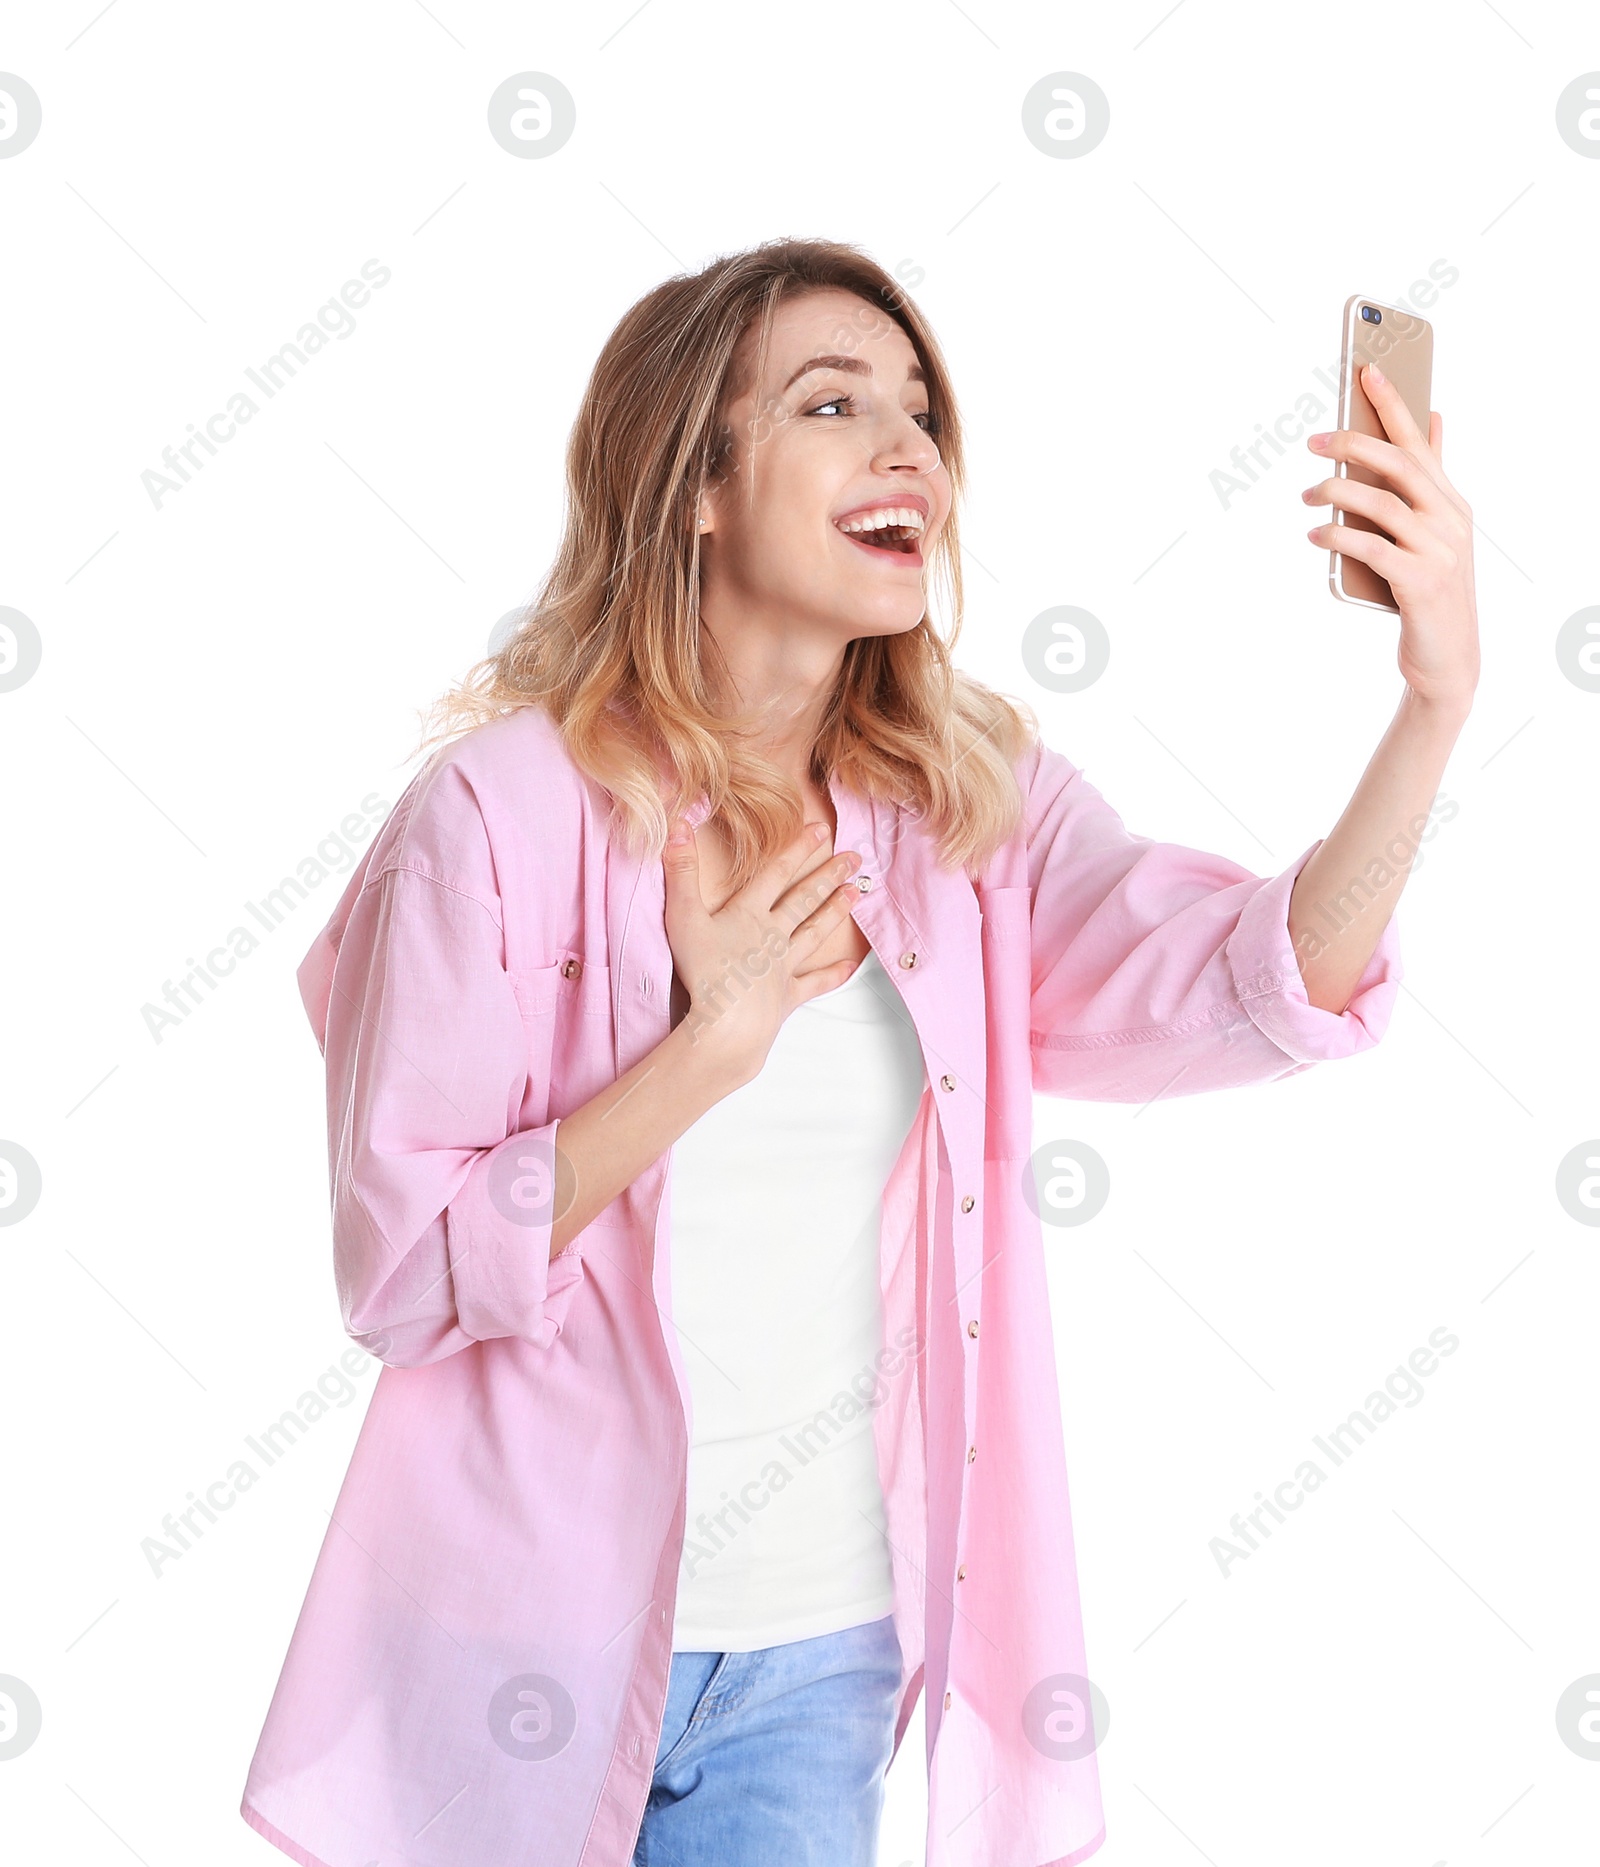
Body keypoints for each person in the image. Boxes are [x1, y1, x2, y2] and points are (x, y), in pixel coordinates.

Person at [240, 237, 1478, 1867]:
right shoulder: (495, 818)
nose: (911, 450)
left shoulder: (966, 811)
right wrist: (708, 1047)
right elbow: (400, 1275)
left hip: (822, 1661)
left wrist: (1435, 700)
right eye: (835, 404)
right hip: (515, 1657)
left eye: (920, 411)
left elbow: (1261, 985)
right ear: (695, 479)